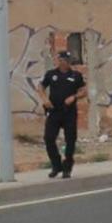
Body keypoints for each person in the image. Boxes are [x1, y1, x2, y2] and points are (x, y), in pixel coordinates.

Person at [36, 51, 87, 179]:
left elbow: (83, 91)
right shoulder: (51, 74)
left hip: (69, 112)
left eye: (66, 60)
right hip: (54, 111)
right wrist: (44, 99)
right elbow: (41, 86)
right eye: (61, 59)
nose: (63, 62)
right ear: (58, 60)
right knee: (49, 138)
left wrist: (74, 97)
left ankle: (67, 167)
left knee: (70, 140)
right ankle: (56, 165)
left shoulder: (76, 75)